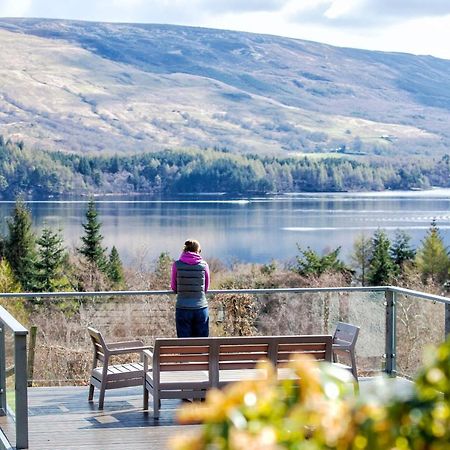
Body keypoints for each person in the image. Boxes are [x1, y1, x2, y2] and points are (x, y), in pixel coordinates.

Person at [171, 239, 210, 337]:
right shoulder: (204, 265)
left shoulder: (177, 265)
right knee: (202, 345)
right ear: (197, 251)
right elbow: (206, 287)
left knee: (185, 344)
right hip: (201, 307)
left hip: (183, 308)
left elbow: (174, 286)